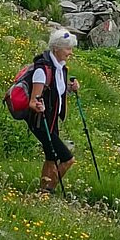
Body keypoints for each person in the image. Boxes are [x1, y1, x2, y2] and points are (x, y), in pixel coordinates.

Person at [28, 29, 80, 193]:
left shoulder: (59, 68)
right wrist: (38, 106)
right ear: (57, 48)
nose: (70, 52)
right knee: (68, 159)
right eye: (68, 49)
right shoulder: (42, 70)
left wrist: (71, 89)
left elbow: (56, 91)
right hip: (41, 122)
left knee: (51, 157)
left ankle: (42, 190)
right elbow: (32, 102)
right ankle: (48, 190)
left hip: (51, 121)